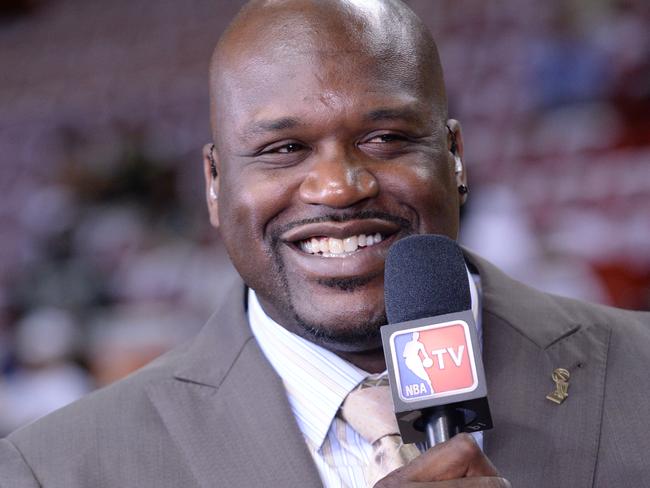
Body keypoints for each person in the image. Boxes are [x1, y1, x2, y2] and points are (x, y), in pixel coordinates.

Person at [1, 1, 649, 486]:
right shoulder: (55, 470)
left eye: (386, 137)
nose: (339, 187)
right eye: (283, 149)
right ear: (215, 182)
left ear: (453, 155)